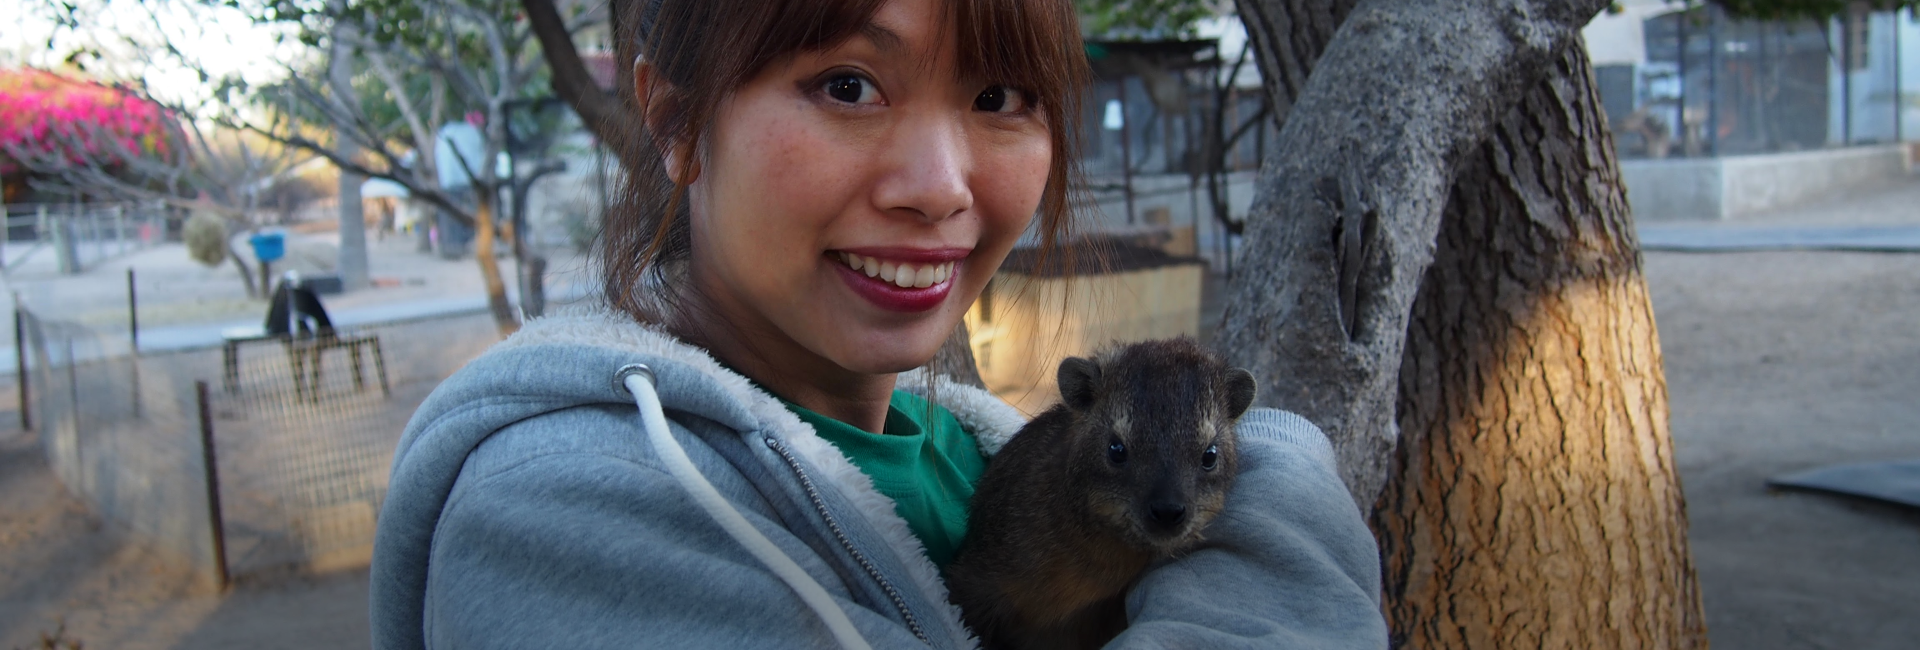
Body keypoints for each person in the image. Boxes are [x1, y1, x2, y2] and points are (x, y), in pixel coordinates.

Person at [369, 0, 1387, 647]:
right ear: (677, 123)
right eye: (847, 85)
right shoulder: (561, 514)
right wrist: (1292, 489)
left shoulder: (974, 452)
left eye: (1000, 95)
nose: (940, 188)